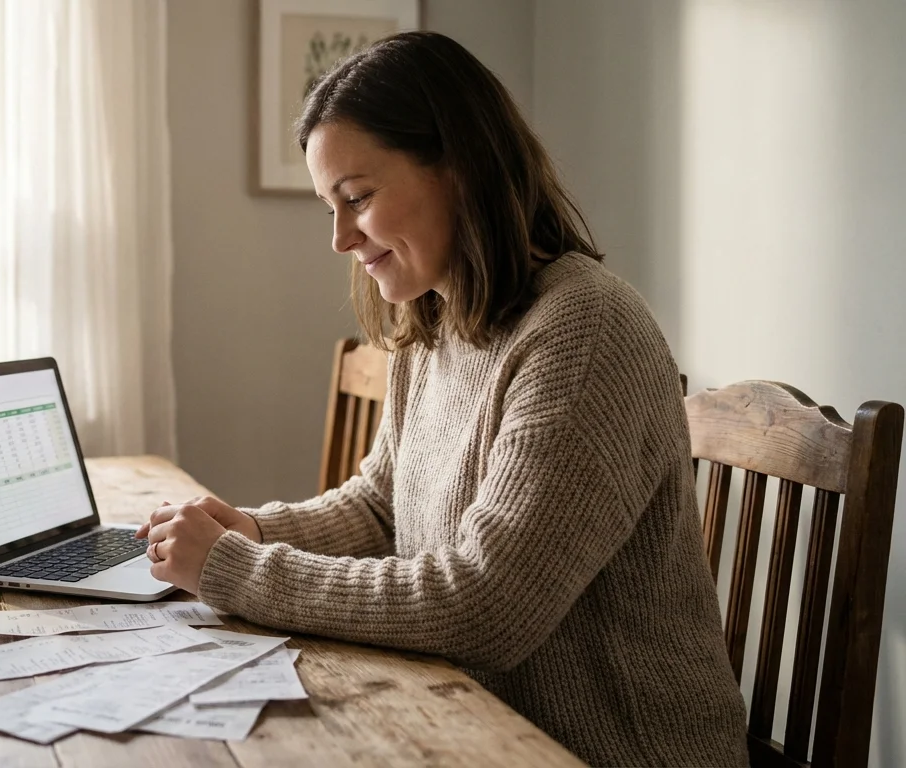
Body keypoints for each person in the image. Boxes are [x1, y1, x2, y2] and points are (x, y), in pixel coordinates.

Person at [136, 31, 748, 767]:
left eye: (357, 198)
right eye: (328, 207)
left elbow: (486, 607)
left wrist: (234, 571)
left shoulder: (585, 331)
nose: (339, 239)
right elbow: (380, 505)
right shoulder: (432, 316)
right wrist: (258, 533)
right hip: (472, 722)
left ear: (460, 167)